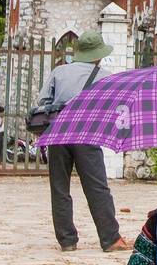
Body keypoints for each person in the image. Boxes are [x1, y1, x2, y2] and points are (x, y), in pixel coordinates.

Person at [34, 29, 130, 253]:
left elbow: (43, 101)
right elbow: (113, 109)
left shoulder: (59, 72)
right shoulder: (105, 76)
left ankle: (67, 240)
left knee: (59, 187)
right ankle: (110, 238)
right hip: (86, 133)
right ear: (98, 54)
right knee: (97, 186)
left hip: (57, 133)